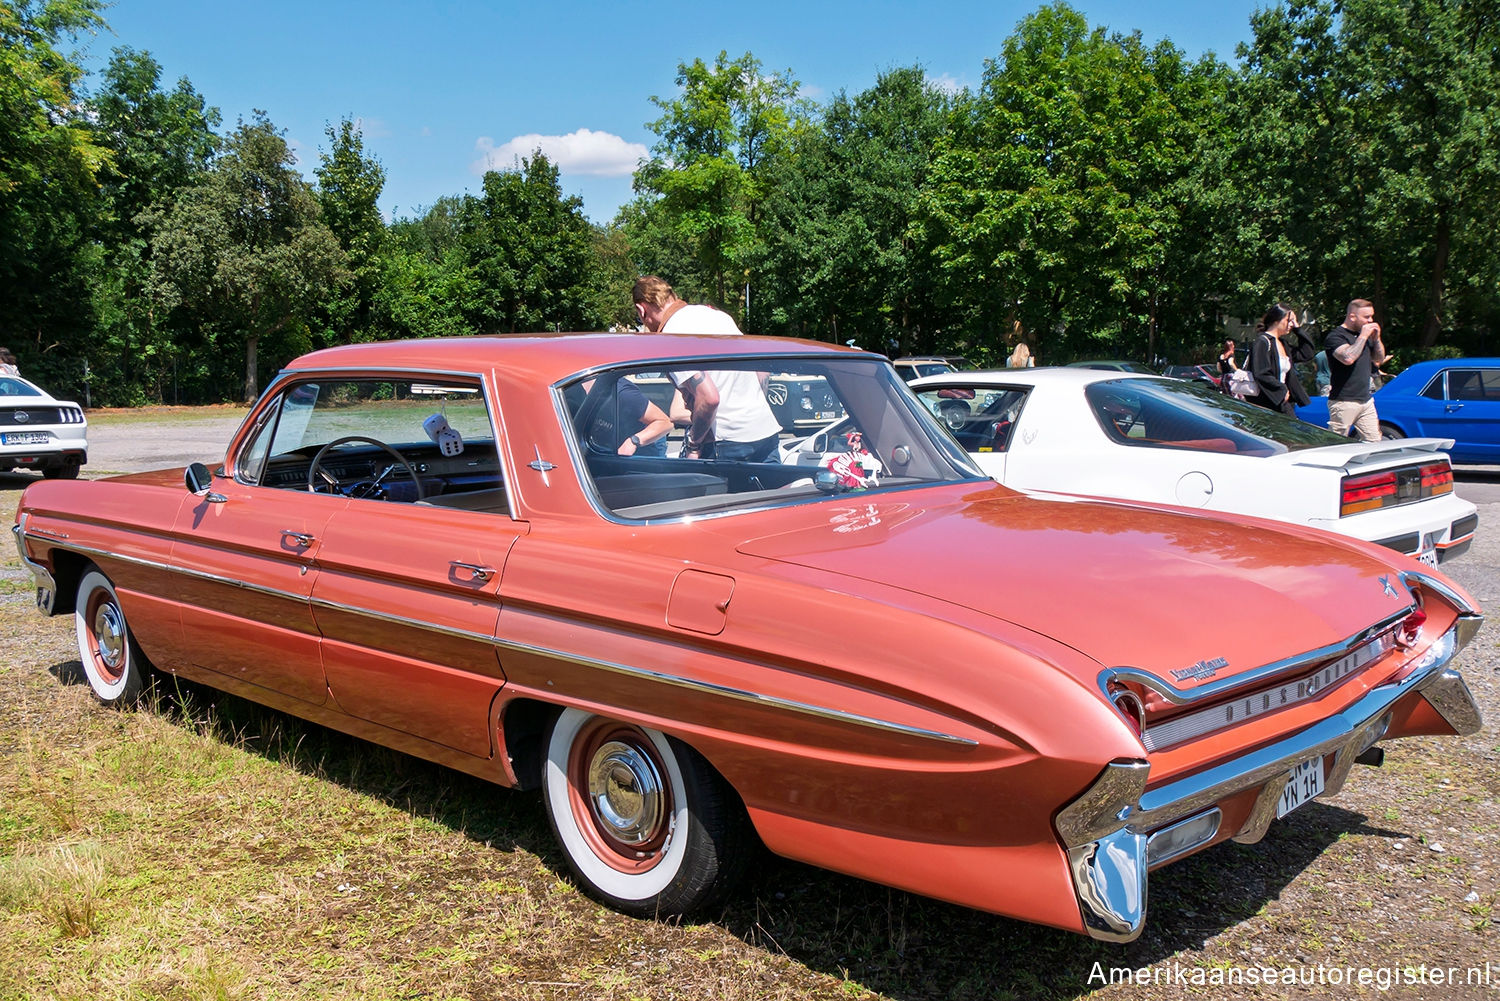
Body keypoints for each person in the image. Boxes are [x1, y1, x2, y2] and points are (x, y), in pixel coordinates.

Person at [631, 275, 783, 462]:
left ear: (641, 310)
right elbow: (761, 370)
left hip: (726, 442)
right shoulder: (717, 316)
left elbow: (709, 398)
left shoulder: (672, 336)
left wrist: (693, 444)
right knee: (775, 491)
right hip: (764, 430)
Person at [1324, 298, 1387, 441]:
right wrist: (1364, 336)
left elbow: (1379, 359)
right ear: (1352, 316)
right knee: (1336, 442)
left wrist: (1376, 339)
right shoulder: (1336, 336)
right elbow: (1348, 358)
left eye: (1372, 316)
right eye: (1366, 317)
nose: (1370, 321)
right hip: (1343, 401)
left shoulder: (1365, 337)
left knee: (1374, 441)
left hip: (1366, 400)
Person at [1247, 303, 1316, 416]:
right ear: (1276, 320)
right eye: (1289, 320)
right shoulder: (1262, 342)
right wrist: (1281, 389)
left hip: (1281, 401)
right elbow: (1261, 373)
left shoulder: (1283, 344)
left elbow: (1306, 354)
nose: (1291, 325)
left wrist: (1298, 330)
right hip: (1266, 401)